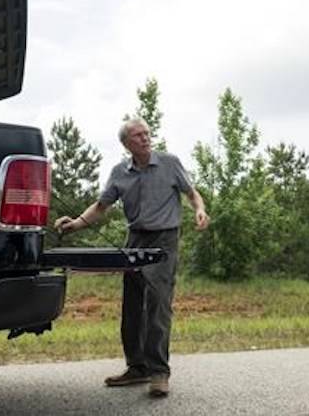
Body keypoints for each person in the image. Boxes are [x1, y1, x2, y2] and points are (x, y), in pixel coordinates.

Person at [54, 118, 210, 398]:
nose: (145, 138)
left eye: (147, 134)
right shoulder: (119, 172)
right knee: (133, 306)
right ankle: (137, 367)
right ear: (127, 144)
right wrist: (76, 224)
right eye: (138, 135)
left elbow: (192, 193)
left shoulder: (170, 163)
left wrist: (199, 210)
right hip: (135, 239)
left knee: (158, 305)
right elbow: (101, 206)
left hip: (165, 240)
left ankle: (159, 372)